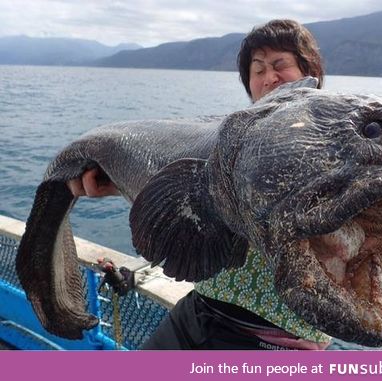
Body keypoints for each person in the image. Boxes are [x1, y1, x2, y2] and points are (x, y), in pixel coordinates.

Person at [68, 19, 330, 350]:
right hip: (199, 310)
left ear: (311, 73)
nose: (269, 79)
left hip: (273, 339)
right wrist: (120, 182)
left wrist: (326, 334)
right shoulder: (230, 146)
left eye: (280, 66)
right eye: (258, 69)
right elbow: (201, 201)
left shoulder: (333, 148)